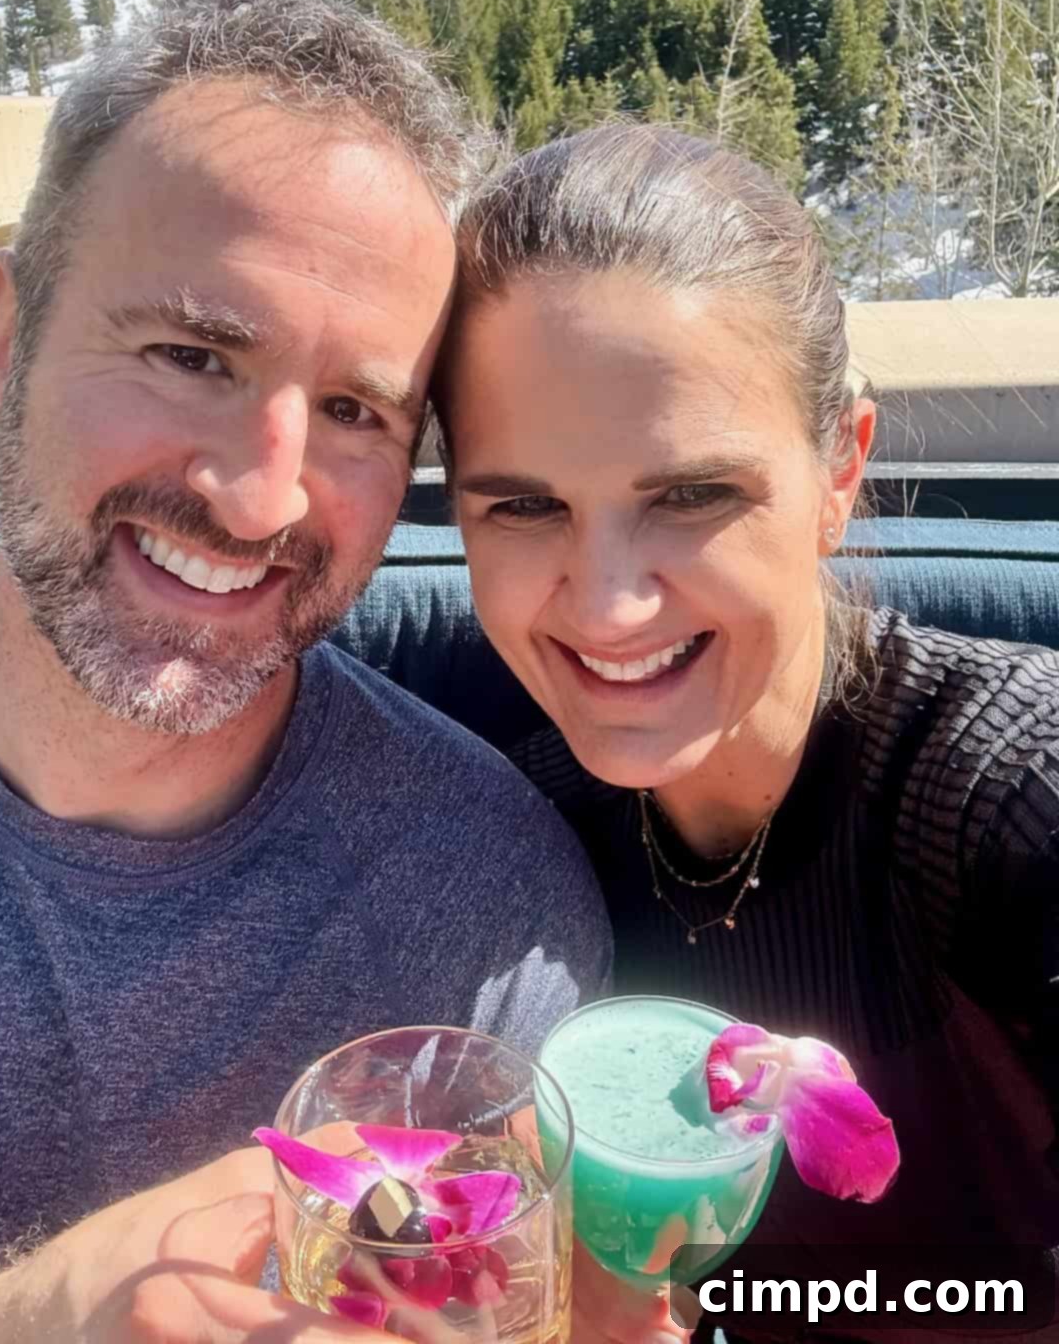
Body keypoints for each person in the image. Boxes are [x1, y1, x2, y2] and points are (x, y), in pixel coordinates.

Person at [0, 0, 612, 1339]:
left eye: (352, 411)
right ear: (3, 336)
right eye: (192, 355)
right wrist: (25, 1321)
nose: (263, 500)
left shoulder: (487, 920)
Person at [436, 124, 1059, 1340]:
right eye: (523, 505)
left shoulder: (1011, 801)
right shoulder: (526, 839)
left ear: (839, 472)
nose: (608, 603)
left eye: (691, 495)